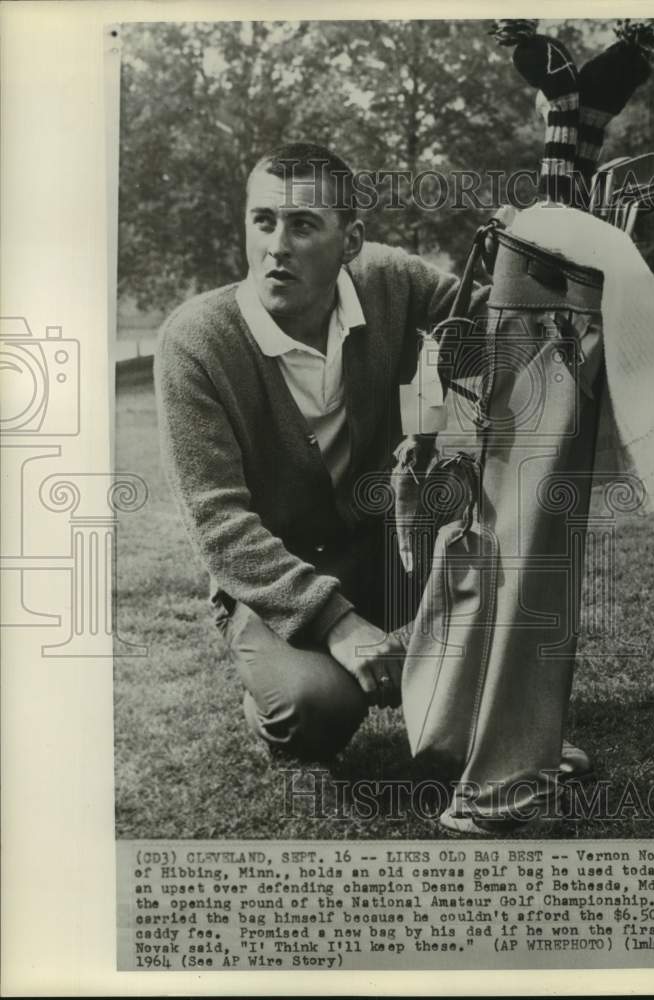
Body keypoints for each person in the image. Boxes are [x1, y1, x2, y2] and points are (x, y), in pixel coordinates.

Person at [154, 142, 490, 762]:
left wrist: (547, 241)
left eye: (303, 224)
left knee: (500, 559)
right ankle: (278, 683)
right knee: (314, 710)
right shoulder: (195, 342)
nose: (276, 246)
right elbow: (219, 523)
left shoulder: (392, 282)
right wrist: (339, 624)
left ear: (351, 239)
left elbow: (492, 327)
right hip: (272, 578)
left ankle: (485, 709)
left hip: (389, 551)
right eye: (263, 222)